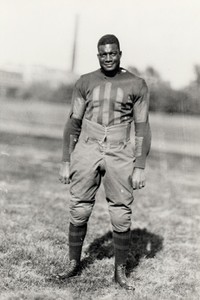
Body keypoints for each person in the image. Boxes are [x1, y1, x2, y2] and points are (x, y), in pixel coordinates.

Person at [58, 34, 151, 290]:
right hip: (88, 147)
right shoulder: (85, 81)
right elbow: (73, 122)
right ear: (98, 55)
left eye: (112, 53)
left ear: (120, 53)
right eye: (103, 54)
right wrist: (66, 160)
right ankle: (73, 263)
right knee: (79, 207)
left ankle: (120, 271)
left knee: (121, 213)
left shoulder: (136, 83)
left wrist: (140, 165)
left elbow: (142, 127)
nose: (108, 58)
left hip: (119, 150)